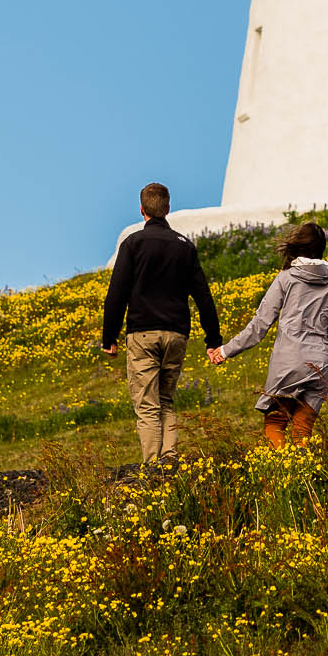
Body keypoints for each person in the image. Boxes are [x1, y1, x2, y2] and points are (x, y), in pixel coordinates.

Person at [102, 182, 224, 464]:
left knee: (147, 405)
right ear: (168, 209)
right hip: (176, 334)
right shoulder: (185, 247)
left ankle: (152, 467)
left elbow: (116, 294)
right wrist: (213, 340)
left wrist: (110, 337)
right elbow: (203, 296)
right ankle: (170, 462)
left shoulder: (132, 244)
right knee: (166, 400)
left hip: (143, 333)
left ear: (142, 210)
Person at [208, 221, 328, 446]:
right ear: (322, 248)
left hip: (288, 363)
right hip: (320, 366)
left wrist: (225, 351)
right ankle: (304, 477)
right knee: (303, 431)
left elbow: (260, 325)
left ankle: (280, 476)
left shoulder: (286, 278)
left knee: (275, 424)